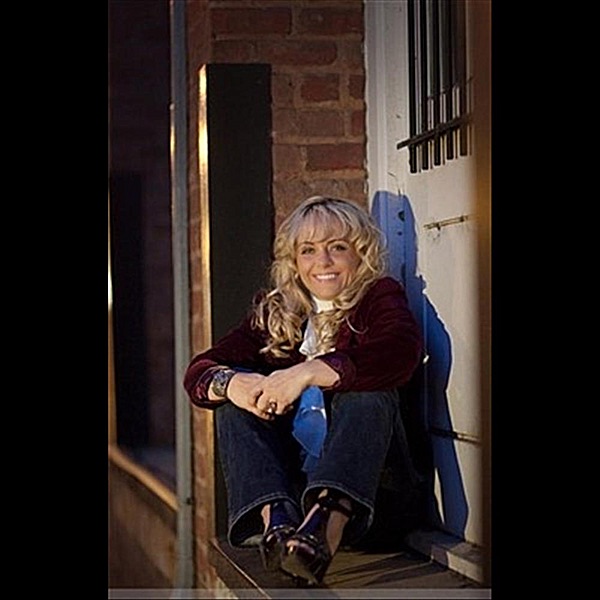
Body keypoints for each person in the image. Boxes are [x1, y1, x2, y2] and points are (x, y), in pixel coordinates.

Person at [184, 196, 423, 586]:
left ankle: (326, 528)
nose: (322, 262)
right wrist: (234, 384)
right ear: (293, 261)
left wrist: (309, 372)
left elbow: (400, 351)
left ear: (360, 254)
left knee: (368, 394)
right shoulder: (277, 313)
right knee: (233, 398)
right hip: (296, 504)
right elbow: (199, 370)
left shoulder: (378, 297)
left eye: (337, 247)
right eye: (308, 250)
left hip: (374, 506)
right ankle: (276, 524)